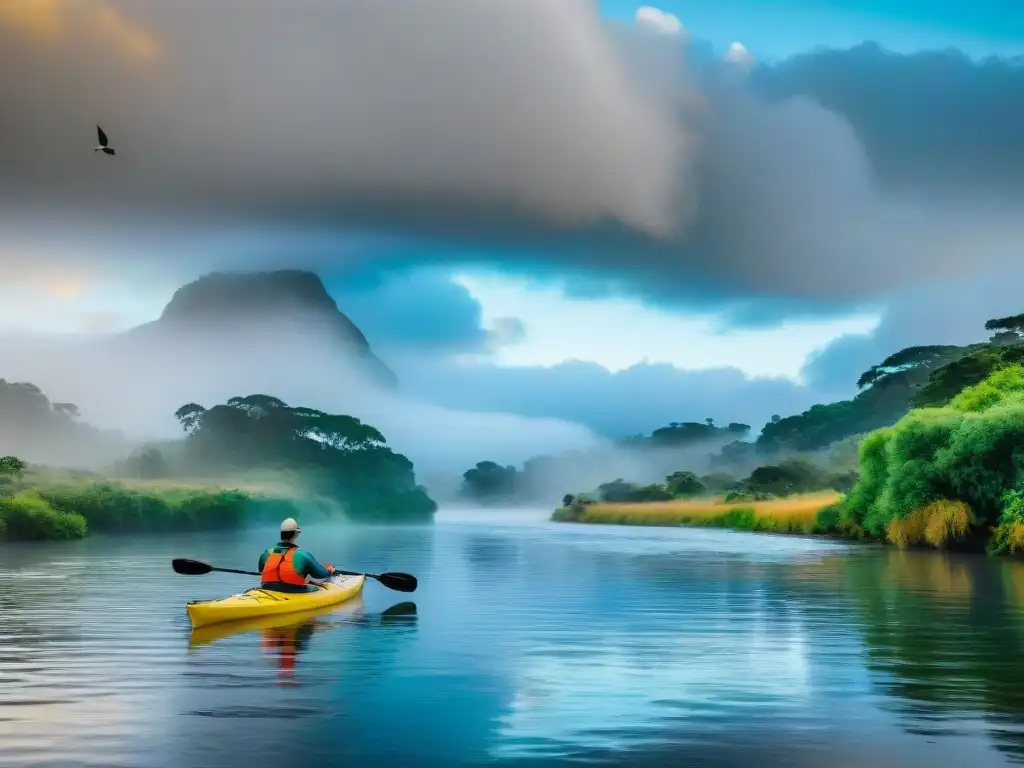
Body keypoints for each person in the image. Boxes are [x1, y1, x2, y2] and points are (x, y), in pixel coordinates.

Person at [258, 518, 337, 593]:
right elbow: (320, 574)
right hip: (294, 591)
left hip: (267, 588)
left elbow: (262, 570)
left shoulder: (267, 554)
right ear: (296, 534)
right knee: (316, 588)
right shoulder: (303, 555)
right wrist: (330, 571)